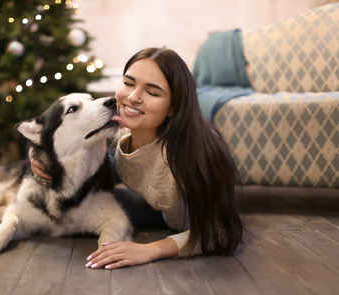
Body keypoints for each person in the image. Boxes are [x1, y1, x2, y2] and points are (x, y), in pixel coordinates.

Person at [31, 47, 243, 269]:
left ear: (172, 107)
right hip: (154, 207)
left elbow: (222, 232)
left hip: (188, 222)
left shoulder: (193, 157)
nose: (132, 97)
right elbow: (62, 135)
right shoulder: (116, 129)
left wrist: (151, 249)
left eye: (152, 92)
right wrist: (37, 158)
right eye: (129, 83)